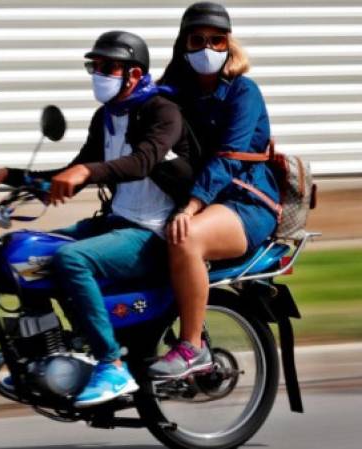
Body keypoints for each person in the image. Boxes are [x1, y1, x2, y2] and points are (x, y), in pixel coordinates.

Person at [0, 31, 199, 407]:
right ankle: (44, 358)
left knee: (72, 259)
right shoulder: (106, 118)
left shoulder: (163, 112)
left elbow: (142, 162)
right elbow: (70, 171)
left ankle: (111, 364)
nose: (98, 73)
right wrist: (8, 175)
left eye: (107, 66)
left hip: (155, 232)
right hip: (118, 223)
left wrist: (86, 173)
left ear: (133, 74)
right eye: (94, 66)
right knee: (29, 252)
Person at [148, 2, 281, 378]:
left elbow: (228, 159)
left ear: (228, 44)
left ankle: (192, 347)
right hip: (203, 201)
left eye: (217, 40)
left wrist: (190, 207)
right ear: (184, 45)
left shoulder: (244, 92)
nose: (208, 48)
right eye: (198, 39)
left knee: (184, 238)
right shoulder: (174, 94)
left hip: (246, 200)